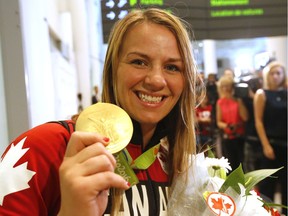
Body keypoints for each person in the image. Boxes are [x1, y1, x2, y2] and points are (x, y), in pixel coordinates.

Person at [0, 8, 201, 215]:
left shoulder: (183, 170)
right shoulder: (43, 148)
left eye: (172, 67)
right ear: (113, 69)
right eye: (139, 62)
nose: (156, 80)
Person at [254, 61, 287, 215]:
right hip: (270, 144)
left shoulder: (286, 92)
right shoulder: (262, 93)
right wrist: (266, 145)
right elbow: (258, 121)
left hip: (286, 144)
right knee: (268, 186)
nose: (275, 76)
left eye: (278, 73)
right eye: (272, 73)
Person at [216, 75, 248, 170]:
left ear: (232, 86)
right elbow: (219, 121)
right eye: (223, 86)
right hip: (228, 137)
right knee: (231, 165)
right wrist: (227, 126)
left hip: (240, 137)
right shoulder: (220, 102)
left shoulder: (238, 100)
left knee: (242, 164)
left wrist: (239, 101)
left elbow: (245, 117)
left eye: (227, 86)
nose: (225, 88)